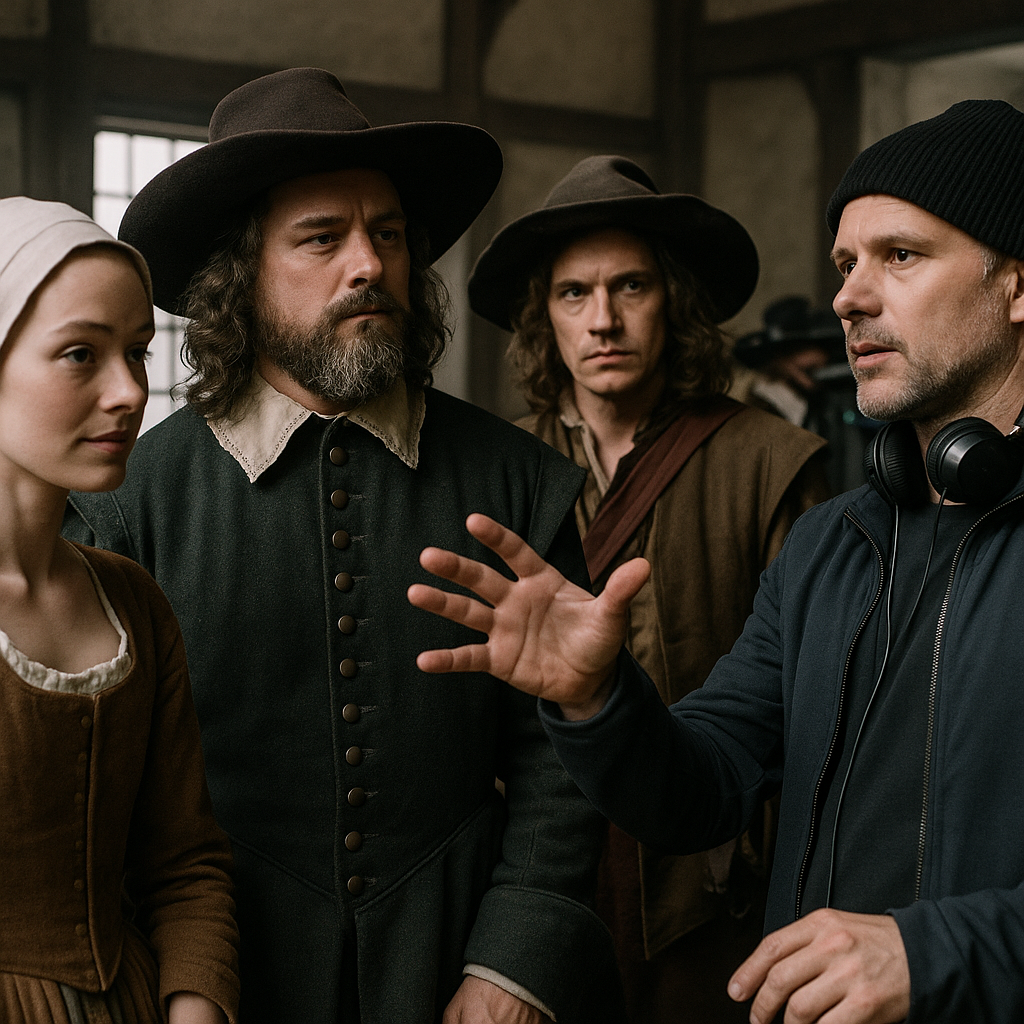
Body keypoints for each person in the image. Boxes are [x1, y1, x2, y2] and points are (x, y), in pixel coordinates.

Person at [409, 99, 1024, 1023]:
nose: (849, 298)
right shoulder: (831, 547)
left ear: (1016, 287)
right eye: (846, 265)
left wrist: (932, 952)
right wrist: (598, 699)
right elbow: (704, 787)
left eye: (900, 255)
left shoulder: (776, 476)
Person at [63, 68, 619, 1024]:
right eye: (322, 238)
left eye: (389, 234)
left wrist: (512, 964)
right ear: (240, 276)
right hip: (220, 981)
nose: (369, 264)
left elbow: (559, 752)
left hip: (460, 965)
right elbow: (97, 805)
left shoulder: (520, 481)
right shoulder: (130, 502)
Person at [467, 155, 828, 1022]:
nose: (604, 319)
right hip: (545, 875)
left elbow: (813, 707)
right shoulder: (496, 468)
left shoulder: (772, 464)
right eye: (574, 294)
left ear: (674, 300)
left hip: (716, 883)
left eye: (631, 286)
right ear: (543, 316)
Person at [0, 198, 238, 1023]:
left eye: (137, 352)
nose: (129, 392)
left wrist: (194, 1008)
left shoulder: (132, 601)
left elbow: (185, 865)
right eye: (80, 354)